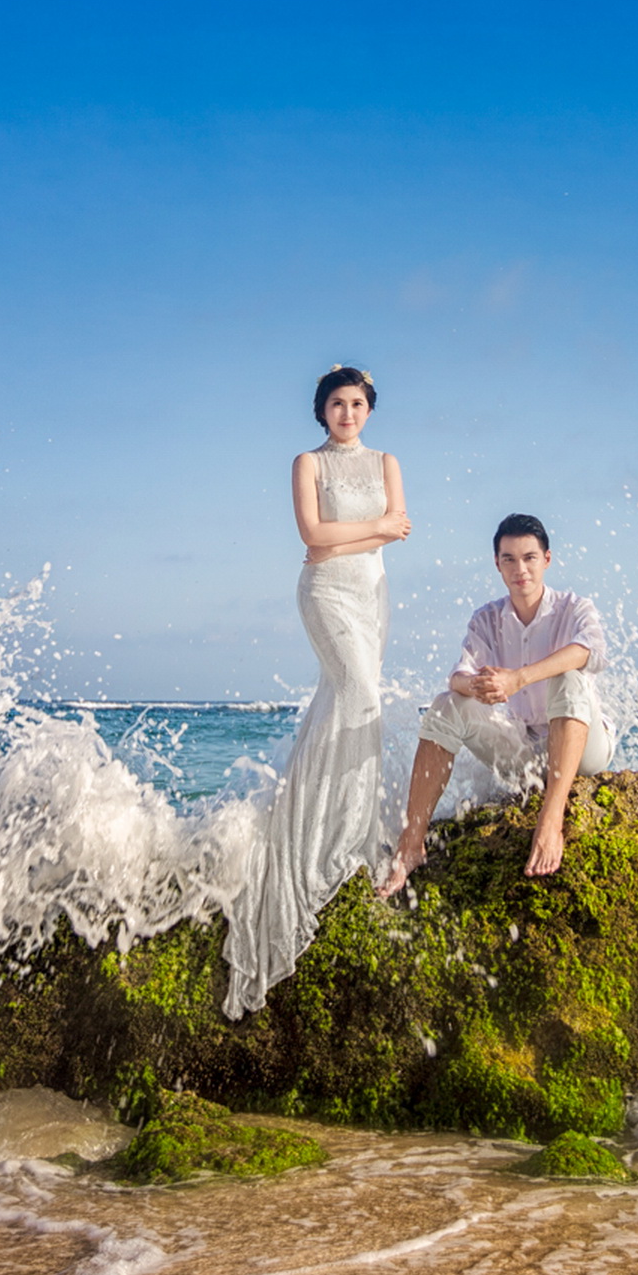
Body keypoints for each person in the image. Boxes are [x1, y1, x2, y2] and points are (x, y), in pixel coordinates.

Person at [221, 366, 412, 1017]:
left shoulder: (388, 461)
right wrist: (378, 530)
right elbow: (312, 536)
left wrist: (366, 534)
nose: (348, 412)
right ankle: (336, 844)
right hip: (326, 592)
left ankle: (341, 831)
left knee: (348, 703)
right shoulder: (307, 462)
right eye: (338, 403)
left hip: (373, 595)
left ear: (368, 408)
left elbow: (398, 522)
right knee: (360, 693)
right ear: (321, 409)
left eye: (358, 403)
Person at [380, 512, 614, 893]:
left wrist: (519, 678)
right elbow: (457, 677)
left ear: (547, 560)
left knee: (568, 675)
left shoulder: (574, 607)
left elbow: (592, 652)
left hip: (583, 749)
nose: (520, 569)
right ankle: (411, 844)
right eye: (509, 559)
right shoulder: (487, 618)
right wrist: (477, 686)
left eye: (529, 558)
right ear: (497, 564)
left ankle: (550, 820)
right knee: (446, 704)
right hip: (525, 752)